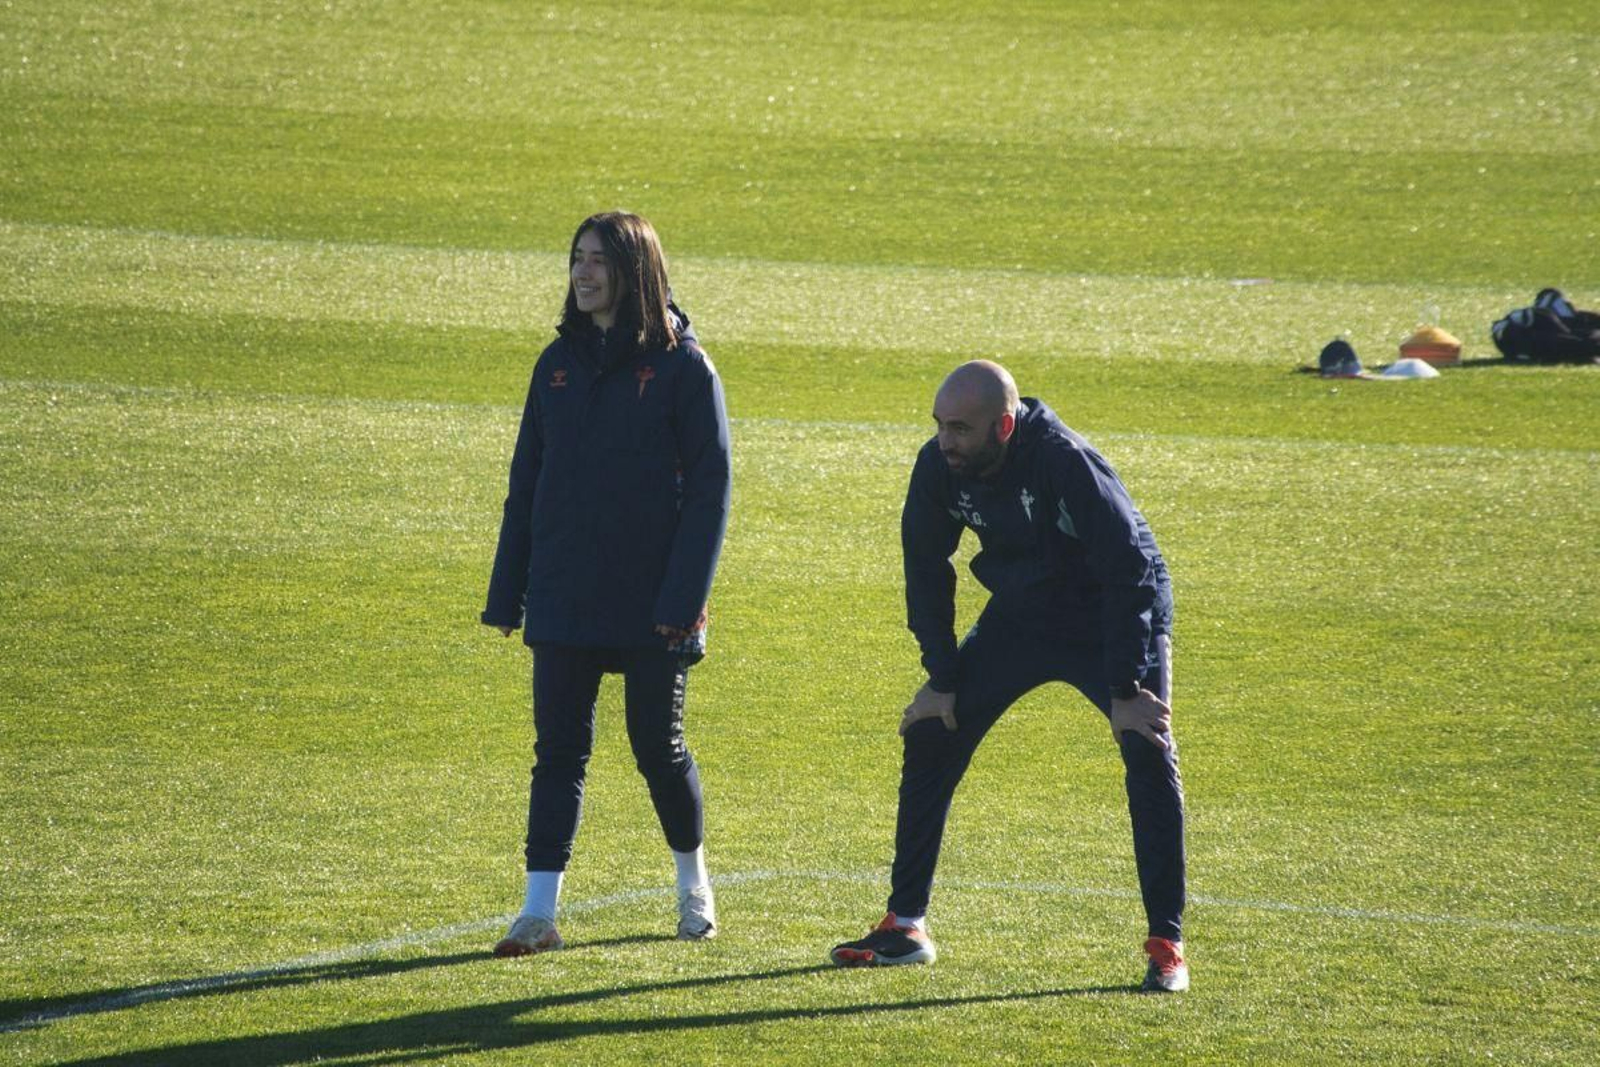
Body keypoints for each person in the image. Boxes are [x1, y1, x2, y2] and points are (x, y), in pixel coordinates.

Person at [828, 360, 1189, 993]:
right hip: (1026, 613)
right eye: (939, 425)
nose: (945, 442)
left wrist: (1126, 691)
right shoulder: (939, 466)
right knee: (933, 729)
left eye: (960, 429)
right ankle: (905, 926)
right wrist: (942, 677)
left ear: (1003, 426)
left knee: (1147, 744)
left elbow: (1129, 572)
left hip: (1110, 608)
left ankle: (1167, 945)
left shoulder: (1065, 462)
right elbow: (925, 568)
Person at [481, 211, 731, 956]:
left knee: (658, 748)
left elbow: (712, 494)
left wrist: (683, 601)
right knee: (558, 751)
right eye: (577, 259)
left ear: (635, 271)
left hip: (655, 600)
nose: (582, 273)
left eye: (598, 261)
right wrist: (508, 591)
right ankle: (537, 914)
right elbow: (527, 482)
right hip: (565, 591)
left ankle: (694, 888)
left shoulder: (685, 369)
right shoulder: (555, 364)